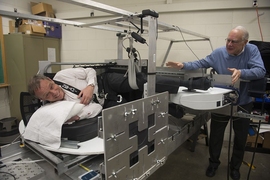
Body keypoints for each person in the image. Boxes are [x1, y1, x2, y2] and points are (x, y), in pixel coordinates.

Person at [166, 26, 266, 180]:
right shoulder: (219, 53)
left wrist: (242, 72)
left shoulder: (252, 50)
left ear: (244, 43)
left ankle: (235, 167)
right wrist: (183, 65)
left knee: (240, 138)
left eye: (234, 41)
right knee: (216, 135)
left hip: (244, 102)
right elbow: (201, 63)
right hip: (221, 102)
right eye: (228, 40)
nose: (229, 44)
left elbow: (260, 70)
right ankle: (213, 163)